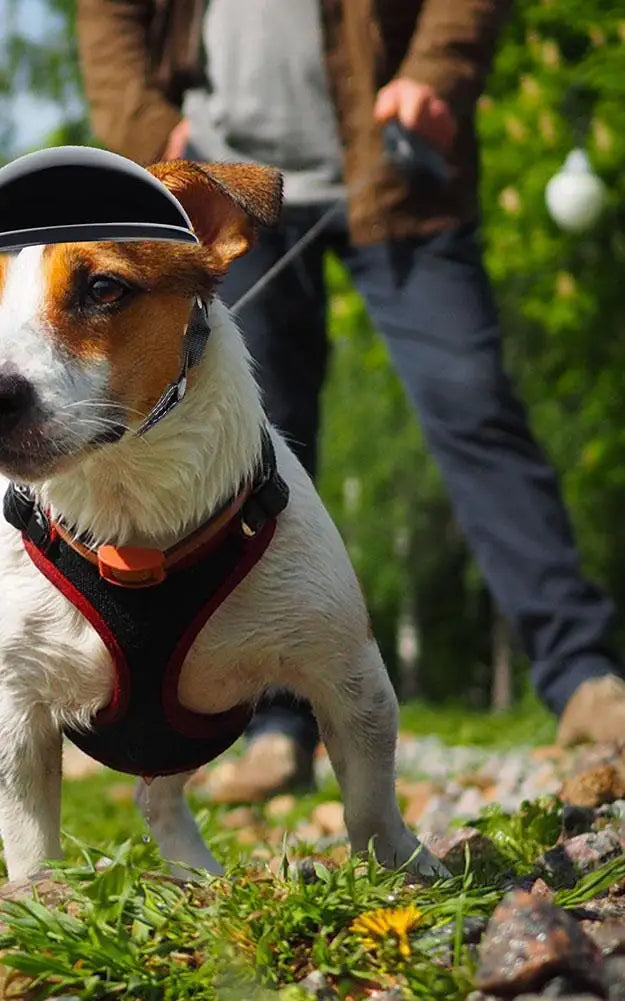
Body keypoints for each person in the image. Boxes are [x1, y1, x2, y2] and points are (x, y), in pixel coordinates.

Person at [75, 0, 625, 802]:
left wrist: (432, 75)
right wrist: (146, 125)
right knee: (250, 449)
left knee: (472, 408)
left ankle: (583, 676)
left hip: (397, 175)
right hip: (226, 194)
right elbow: (110, 16)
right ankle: (274, 722)